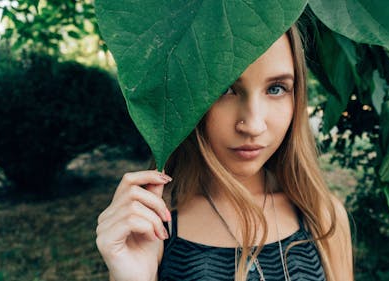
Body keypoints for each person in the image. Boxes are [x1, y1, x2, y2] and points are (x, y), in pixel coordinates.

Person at [96, 24, 353, 281]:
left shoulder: (323, 216)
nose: (253, 125)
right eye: (225, 89)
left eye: (276, 88)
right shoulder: (153, 227)